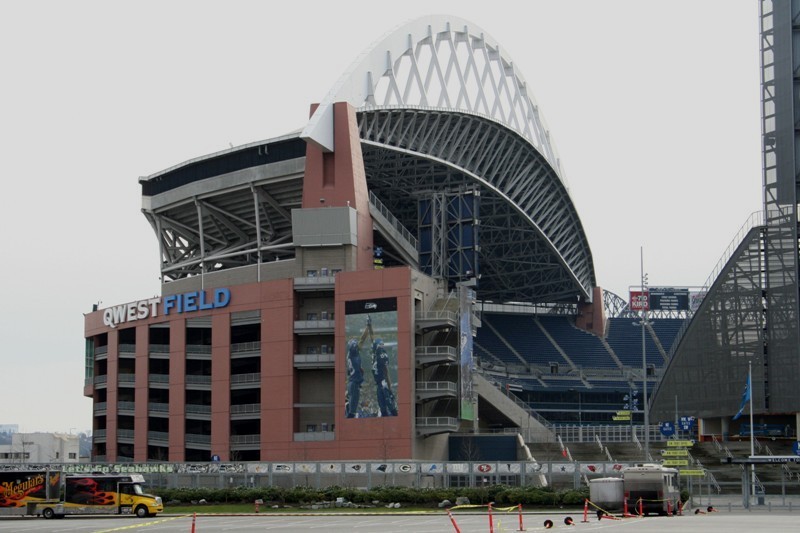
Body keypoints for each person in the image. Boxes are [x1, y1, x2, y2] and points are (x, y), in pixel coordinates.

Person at [345, 316, 373, 418]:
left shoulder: (350, 355)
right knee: (352, 413)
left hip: (352, 383)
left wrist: (359, 369)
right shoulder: (353, 354)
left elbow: (349, 371)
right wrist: (368, 326)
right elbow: (362, 339)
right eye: (356, 345)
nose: (358, 346)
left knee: (351, 410)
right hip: (353, 384)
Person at [371, 338, 397, 416]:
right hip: (379, 385)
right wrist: (369, 327)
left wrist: (390, 388)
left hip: (383, 383)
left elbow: (386, 372)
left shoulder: (381, 355)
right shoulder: (374, 355)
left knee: (390, 405)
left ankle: (397, 420)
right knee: (382, 407)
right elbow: (372, 337)